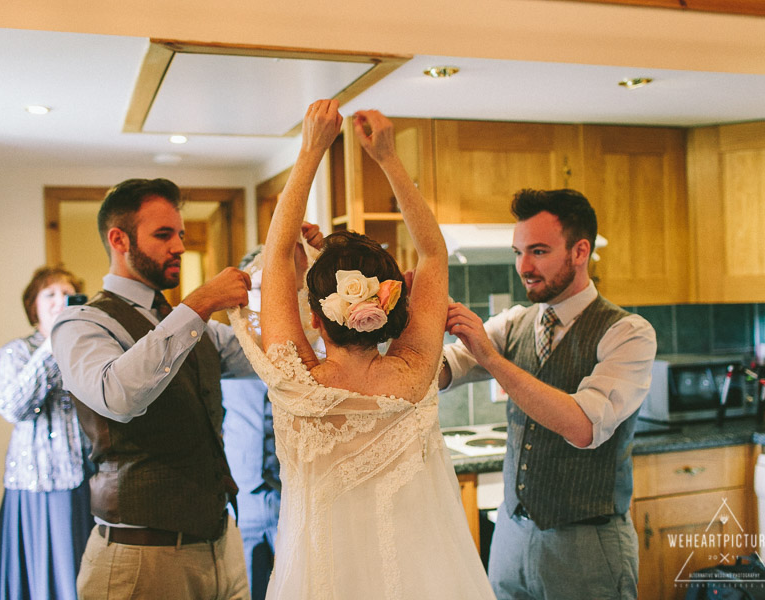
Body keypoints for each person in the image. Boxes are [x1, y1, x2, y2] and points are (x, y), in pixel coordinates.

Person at [228, 99, 496, 600]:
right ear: (394, 308)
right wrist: (389, 158)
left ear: (314, 316)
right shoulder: (415, 373)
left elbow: (276, 256)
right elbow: (433, 252)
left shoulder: (294, 381)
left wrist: (310, 152)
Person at [439, 188, 657, 600]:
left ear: (580, 251)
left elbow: (581, 425)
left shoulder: (628, 333)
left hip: (587, 547)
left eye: (538, 251)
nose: (523, 266)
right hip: (511, 536)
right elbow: (446, 368)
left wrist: (492, 358)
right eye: (518, 251)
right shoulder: (516, 322)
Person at [51, 178, 254, 599]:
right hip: (140, 559)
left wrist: (303, 270)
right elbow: (119, 396)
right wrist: (197, 305)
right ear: (119, 239)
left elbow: (270, 358)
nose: (179, 246)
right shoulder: (81, 324)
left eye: (180, 234)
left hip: (222, 546)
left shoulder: (196, 331)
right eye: (164, 235)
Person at [0, 265, 94, 600]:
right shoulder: (18, 352)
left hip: (88, 479)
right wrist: (51, 345)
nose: (60, 300)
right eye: (51, 294)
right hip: (39, 483)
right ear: (34, 305)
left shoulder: (86, 349)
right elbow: (12, 407)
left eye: (67, 293)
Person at [219, 244, 325, 600]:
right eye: (263, 287)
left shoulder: (319, 350)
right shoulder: (228, 345)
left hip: (299, 503)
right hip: (245, 502)